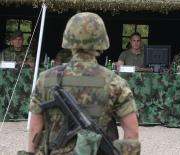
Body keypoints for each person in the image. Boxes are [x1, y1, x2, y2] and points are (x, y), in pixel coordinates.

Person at [23, 12, 140, 155]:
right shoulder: (115, 83)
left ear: (68, 40)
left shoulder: (45, 79)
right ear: (101, 42)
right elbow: (132, 134)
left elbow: (35, 129)